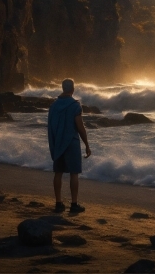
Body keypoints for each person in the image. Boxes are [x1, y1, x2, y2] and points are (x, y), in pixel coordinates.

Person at [47, 78, 91, 214]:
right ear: (73, 89)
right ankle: (73, 204)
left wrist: (53, 142)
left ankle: (58, 204)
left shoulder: (53, 106)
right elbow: (80, 127)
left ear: (62, 88)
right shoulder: (75, 106)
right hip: (71, 143)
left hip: (58, 142)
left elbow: (50, 127)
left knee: (58, 173)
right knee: (73, 174)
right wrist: (87, 145)